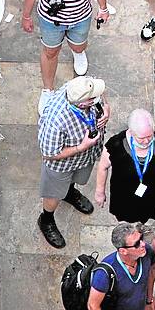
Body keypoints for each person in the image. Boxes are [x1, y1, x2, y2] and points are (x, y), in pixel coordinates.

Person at [36, 76, 109, 248]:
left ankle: (69, 192)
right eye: (94, 99)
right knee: (53, 195)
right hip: (62, 164)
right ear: (83, 103)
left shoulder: (78, 87)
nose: (97, 98)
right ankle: (46, 219)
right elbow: (49, 153)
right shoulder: (55, 121)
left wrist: (106, 110)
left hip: (86, 156)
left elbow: (102, 95)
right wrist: (81, 147)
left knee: (77, 179)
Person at [94, 109, 155, 224]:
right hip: (125, 195)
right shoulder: (115, 145)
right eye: (142, 138)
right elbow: (103, 166)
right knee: (128, 219)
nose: (147, 141)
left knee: (154, 213)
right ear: (131, 132)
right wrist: (100, 192)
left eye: (150, 136)